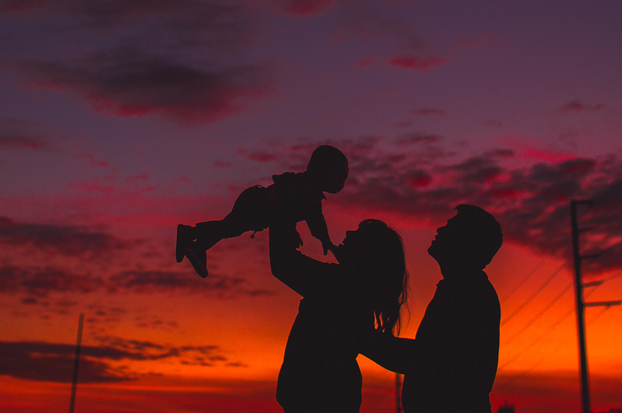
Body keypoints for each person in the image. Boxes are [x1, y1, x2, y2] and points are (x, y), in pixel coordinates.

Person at [359, 204, 502, 413]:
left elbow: (425, 359)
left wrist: (360, 338)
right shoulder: (462, 289)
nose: (440, 230)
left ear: (466, 242)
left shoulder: (468, 294)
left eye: (450, 227)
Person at [269, 214, 408, 413]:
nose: (349, 233)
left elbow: (284, 264)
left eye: (360, 235)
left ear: (369, 253)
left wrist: (284, 212)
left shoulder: (340, 284)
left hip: (318, 399)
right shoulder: (356, 289)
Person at [176, 144, 348, 278]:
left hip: (257, 201)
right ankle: (192, 235)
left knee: (229, 228)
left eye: (344, 178)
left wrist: (322, 239)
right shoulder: (308, 191)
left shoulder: (307, 190)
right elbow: (309, 216)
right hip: (257, 202)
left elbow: (307, 216)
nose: (341, 181)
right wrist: (323, 240)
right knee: (230, 227)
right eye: (339, 173)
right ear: (320, 168)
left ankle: (196, 242)